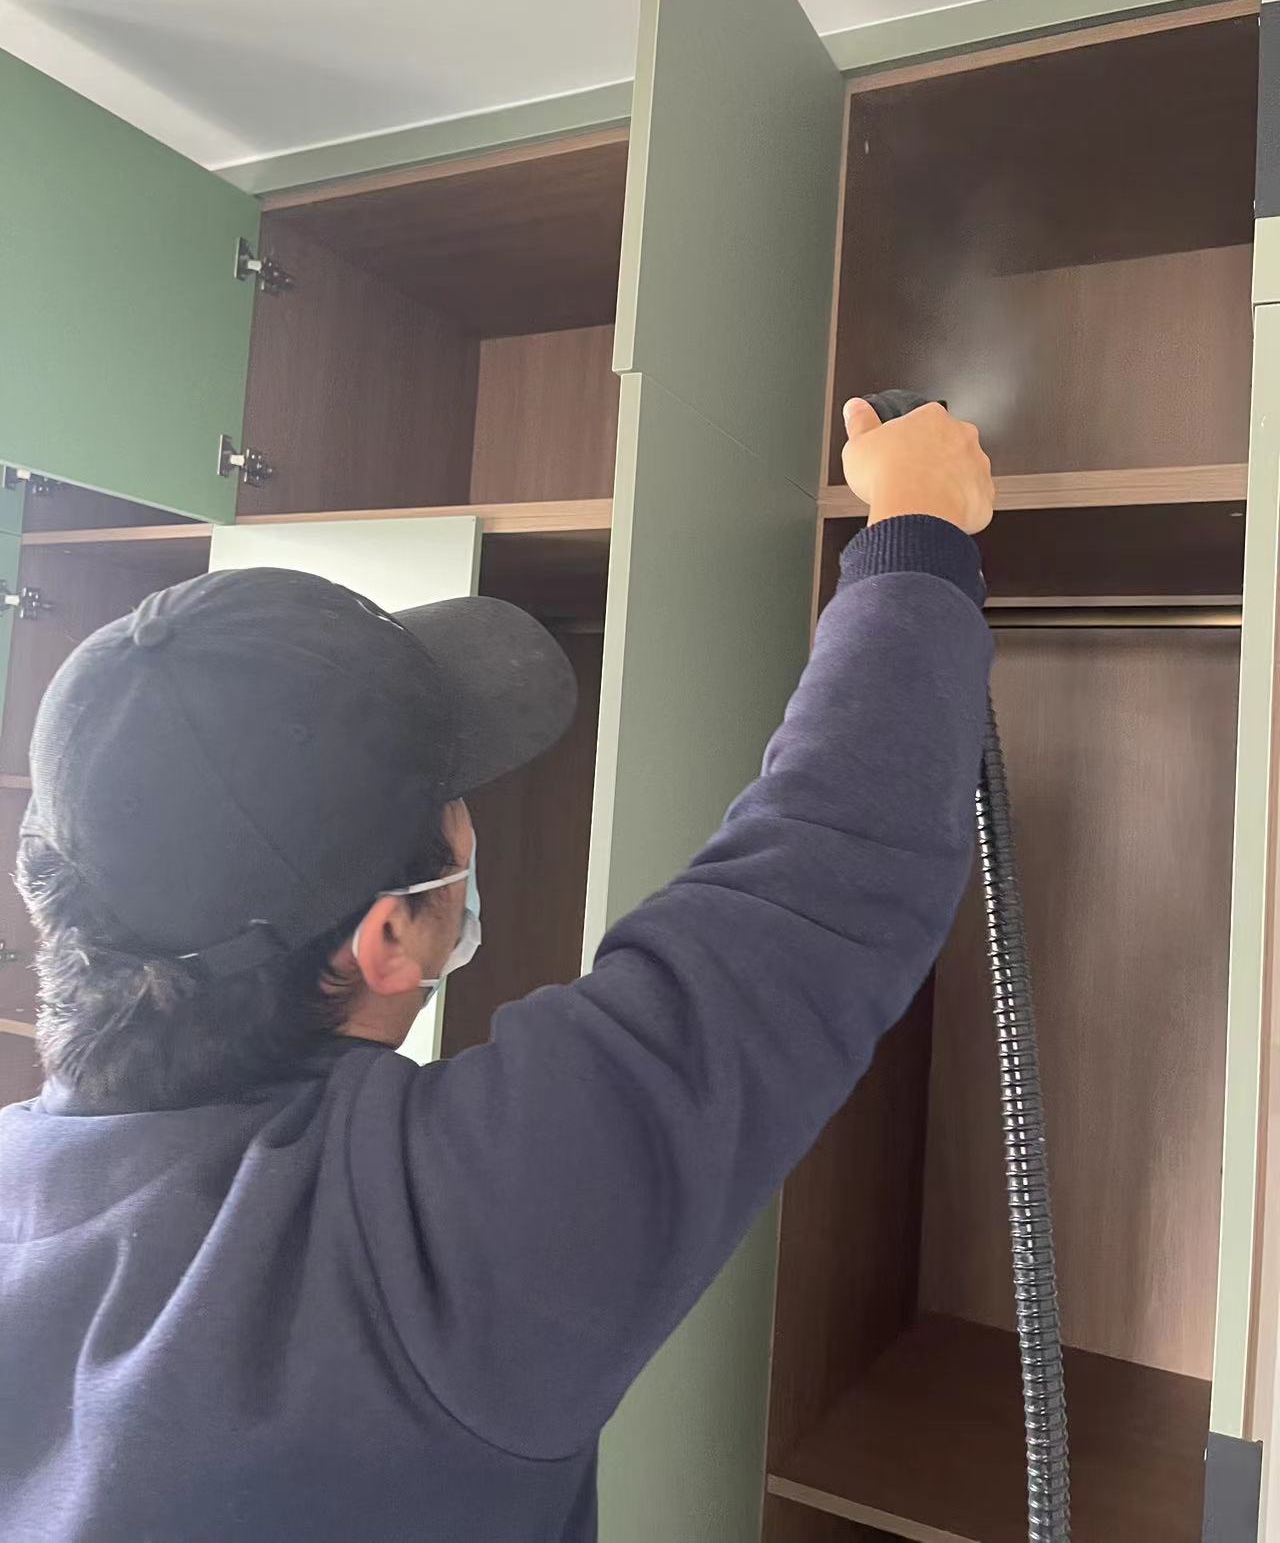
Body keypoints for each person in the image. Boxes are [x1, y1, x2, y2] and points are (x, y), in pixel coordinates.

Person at [0, 400, 994, 1543]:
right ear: (386, 937)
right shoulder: (421, 1258)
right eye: (452, 796)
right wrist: (915, 524)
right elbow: (820, 880)